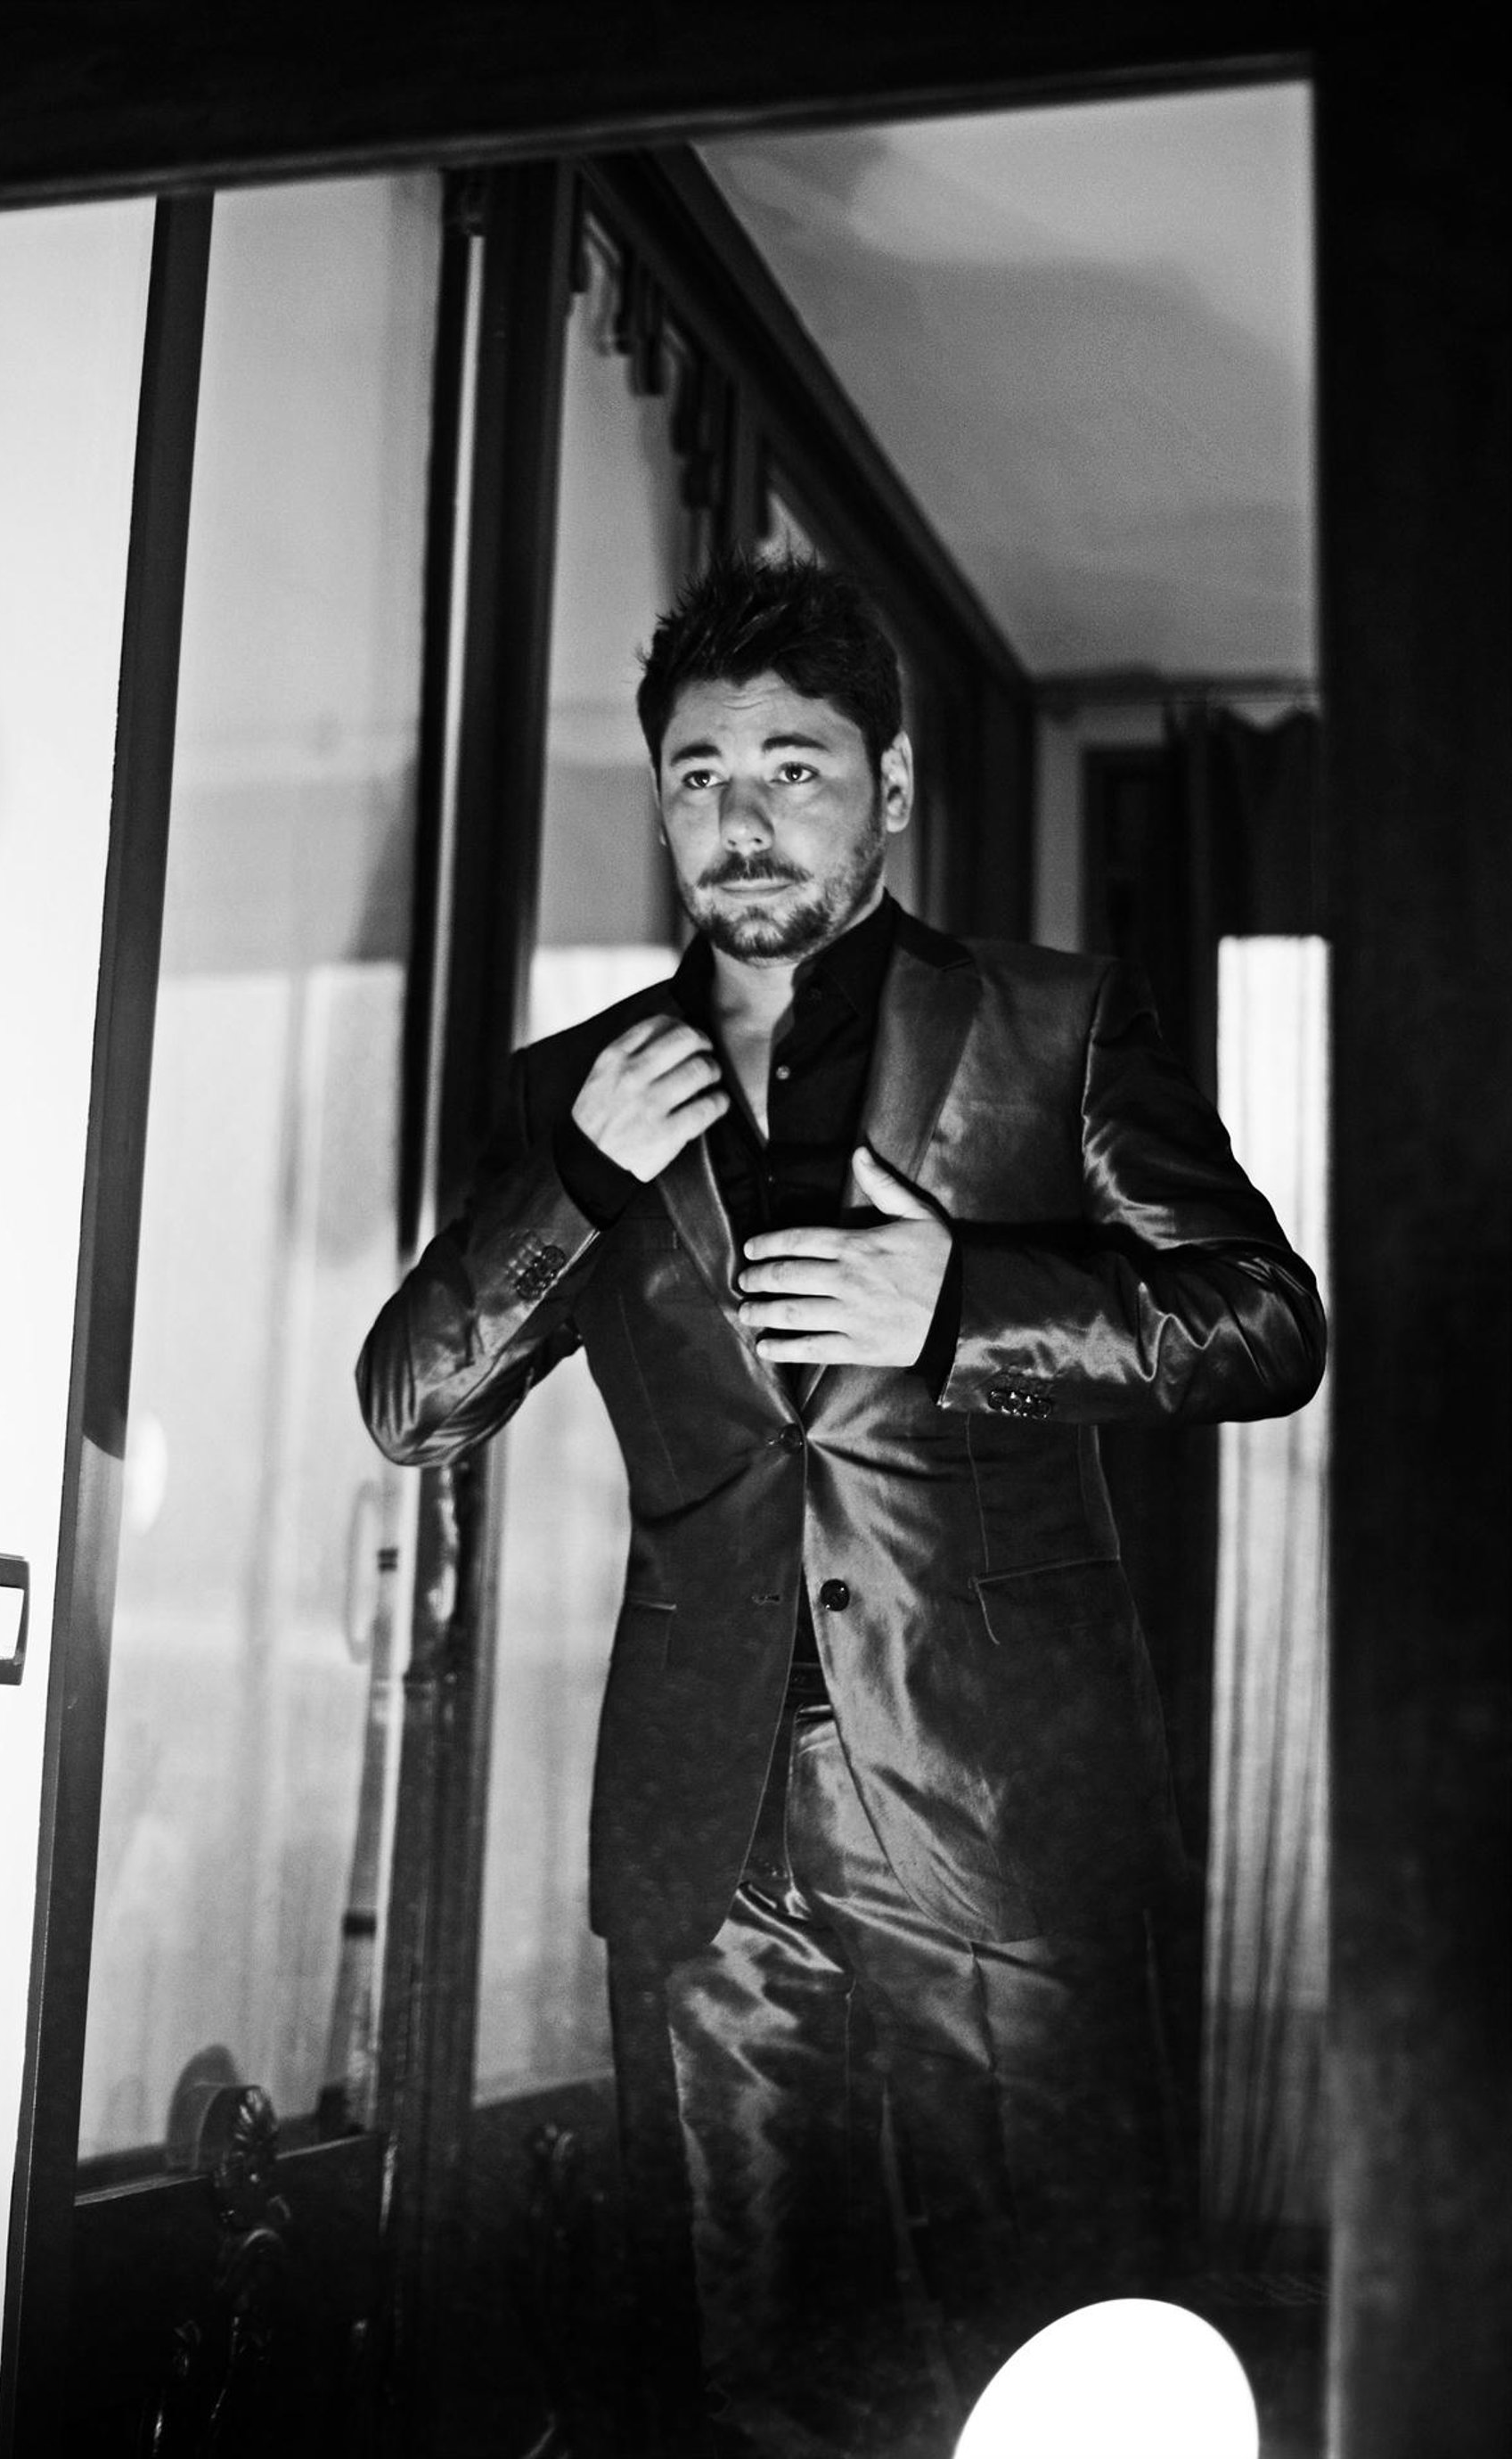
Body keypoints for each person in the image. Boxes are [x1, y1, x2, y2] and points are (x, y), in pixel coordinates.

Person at [357, 550, 1326, 2456]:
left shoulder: (1049, 1026)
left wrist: (960, 1306)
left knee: (1057, 2343)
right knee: (748, 2374)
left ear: (889, 786)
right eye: (700, 774)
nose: (742, 815)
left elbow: (1263, 1323)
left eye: (792, 768)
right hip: (705, 1839)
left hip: (1001, 1811)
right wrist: (573, 1182)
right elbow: (415, 1404)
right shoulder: (573, 1092)